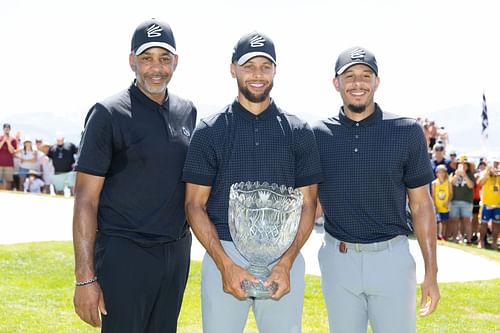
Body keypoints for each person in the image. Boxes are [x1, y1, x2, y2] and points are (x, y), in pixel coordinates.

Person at [183, 32, 322, 333]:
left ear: (275, 70)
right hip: (224, 252)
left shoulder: (299, 131)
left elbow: (309, 204)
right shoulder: (210, 131)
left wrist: (286, 263)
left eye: (265, 66)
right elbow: (194, 205)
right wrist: (224, 264)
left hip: (284, 257)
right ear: (233, 69)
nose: (257, 75)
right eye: (249, 66)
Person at [72, 18, 197, 333]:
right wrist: (85, 277)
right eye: (147, 58)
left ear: (176, 62)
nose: (156, 67)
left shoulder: (187, 111)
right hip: (124, 255)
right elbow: (86, 200)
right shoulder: (108, 113)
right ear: (132, 61)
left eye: (164, 58)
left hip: (176, 253)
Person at [313, 46, 440, 333]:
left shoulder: (406, 131)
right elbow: (311, 202)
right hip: (338, 259)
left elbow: (421, 205)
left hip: (392, 261)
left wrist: (431, 271)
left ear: (377, 82)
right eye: (350, 76)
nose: (358, 83)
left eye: (365, 75)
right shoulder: (317, 134)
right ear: (337, 83)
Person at [449, 155, 475, 243]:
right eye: (460, 164)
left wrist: (464, 175)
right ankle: (454, 238)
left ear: (467, 166)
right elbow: (451, 183)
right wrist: (457, 175)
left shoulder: (470, 174)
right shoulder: (453, 173)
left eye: (464, 164)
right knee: (454, 221)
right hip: (454, 201)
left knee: (467, 221)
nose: (462, 166)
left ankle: (468, 240)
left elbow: (471, 185)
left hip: (467, 201)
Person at [477, 158, 500, 250]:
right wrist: (488, 172)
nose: (495, 165)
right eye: (494, 163)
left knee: (496, 224)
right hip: (486, 203)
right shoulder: (484, 173)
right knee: (483, 223)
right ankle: (481, 241)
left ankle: (494, 243)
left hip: (498, 204)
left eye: (497, 163)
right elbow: (479, 183)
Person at [432, 164, 453, 240]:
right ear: (436, 173)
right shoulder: (434, 183)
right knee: (437, 221)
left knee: (444, 221)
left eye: (443, 172)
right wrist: (434, 205)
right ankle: (437, 235)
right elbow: (433, 195)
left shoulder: (448, 183)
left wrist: (447, 202)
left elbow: (450, 194)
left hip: (445, 205)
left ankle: (443, 235)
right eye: (439, 172)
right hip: (437, 205)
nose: (441, 174)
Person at [0, 123, 17, 190]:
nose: (6, 130)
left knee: (9, 181)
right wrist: (3, 141)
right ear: (3, 129)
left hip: (9, 164)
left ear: (10, 129)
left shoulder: (13, 139)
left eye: (8, 129)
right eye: (5, 128)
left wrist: (8, 142)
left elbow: (12, 151)